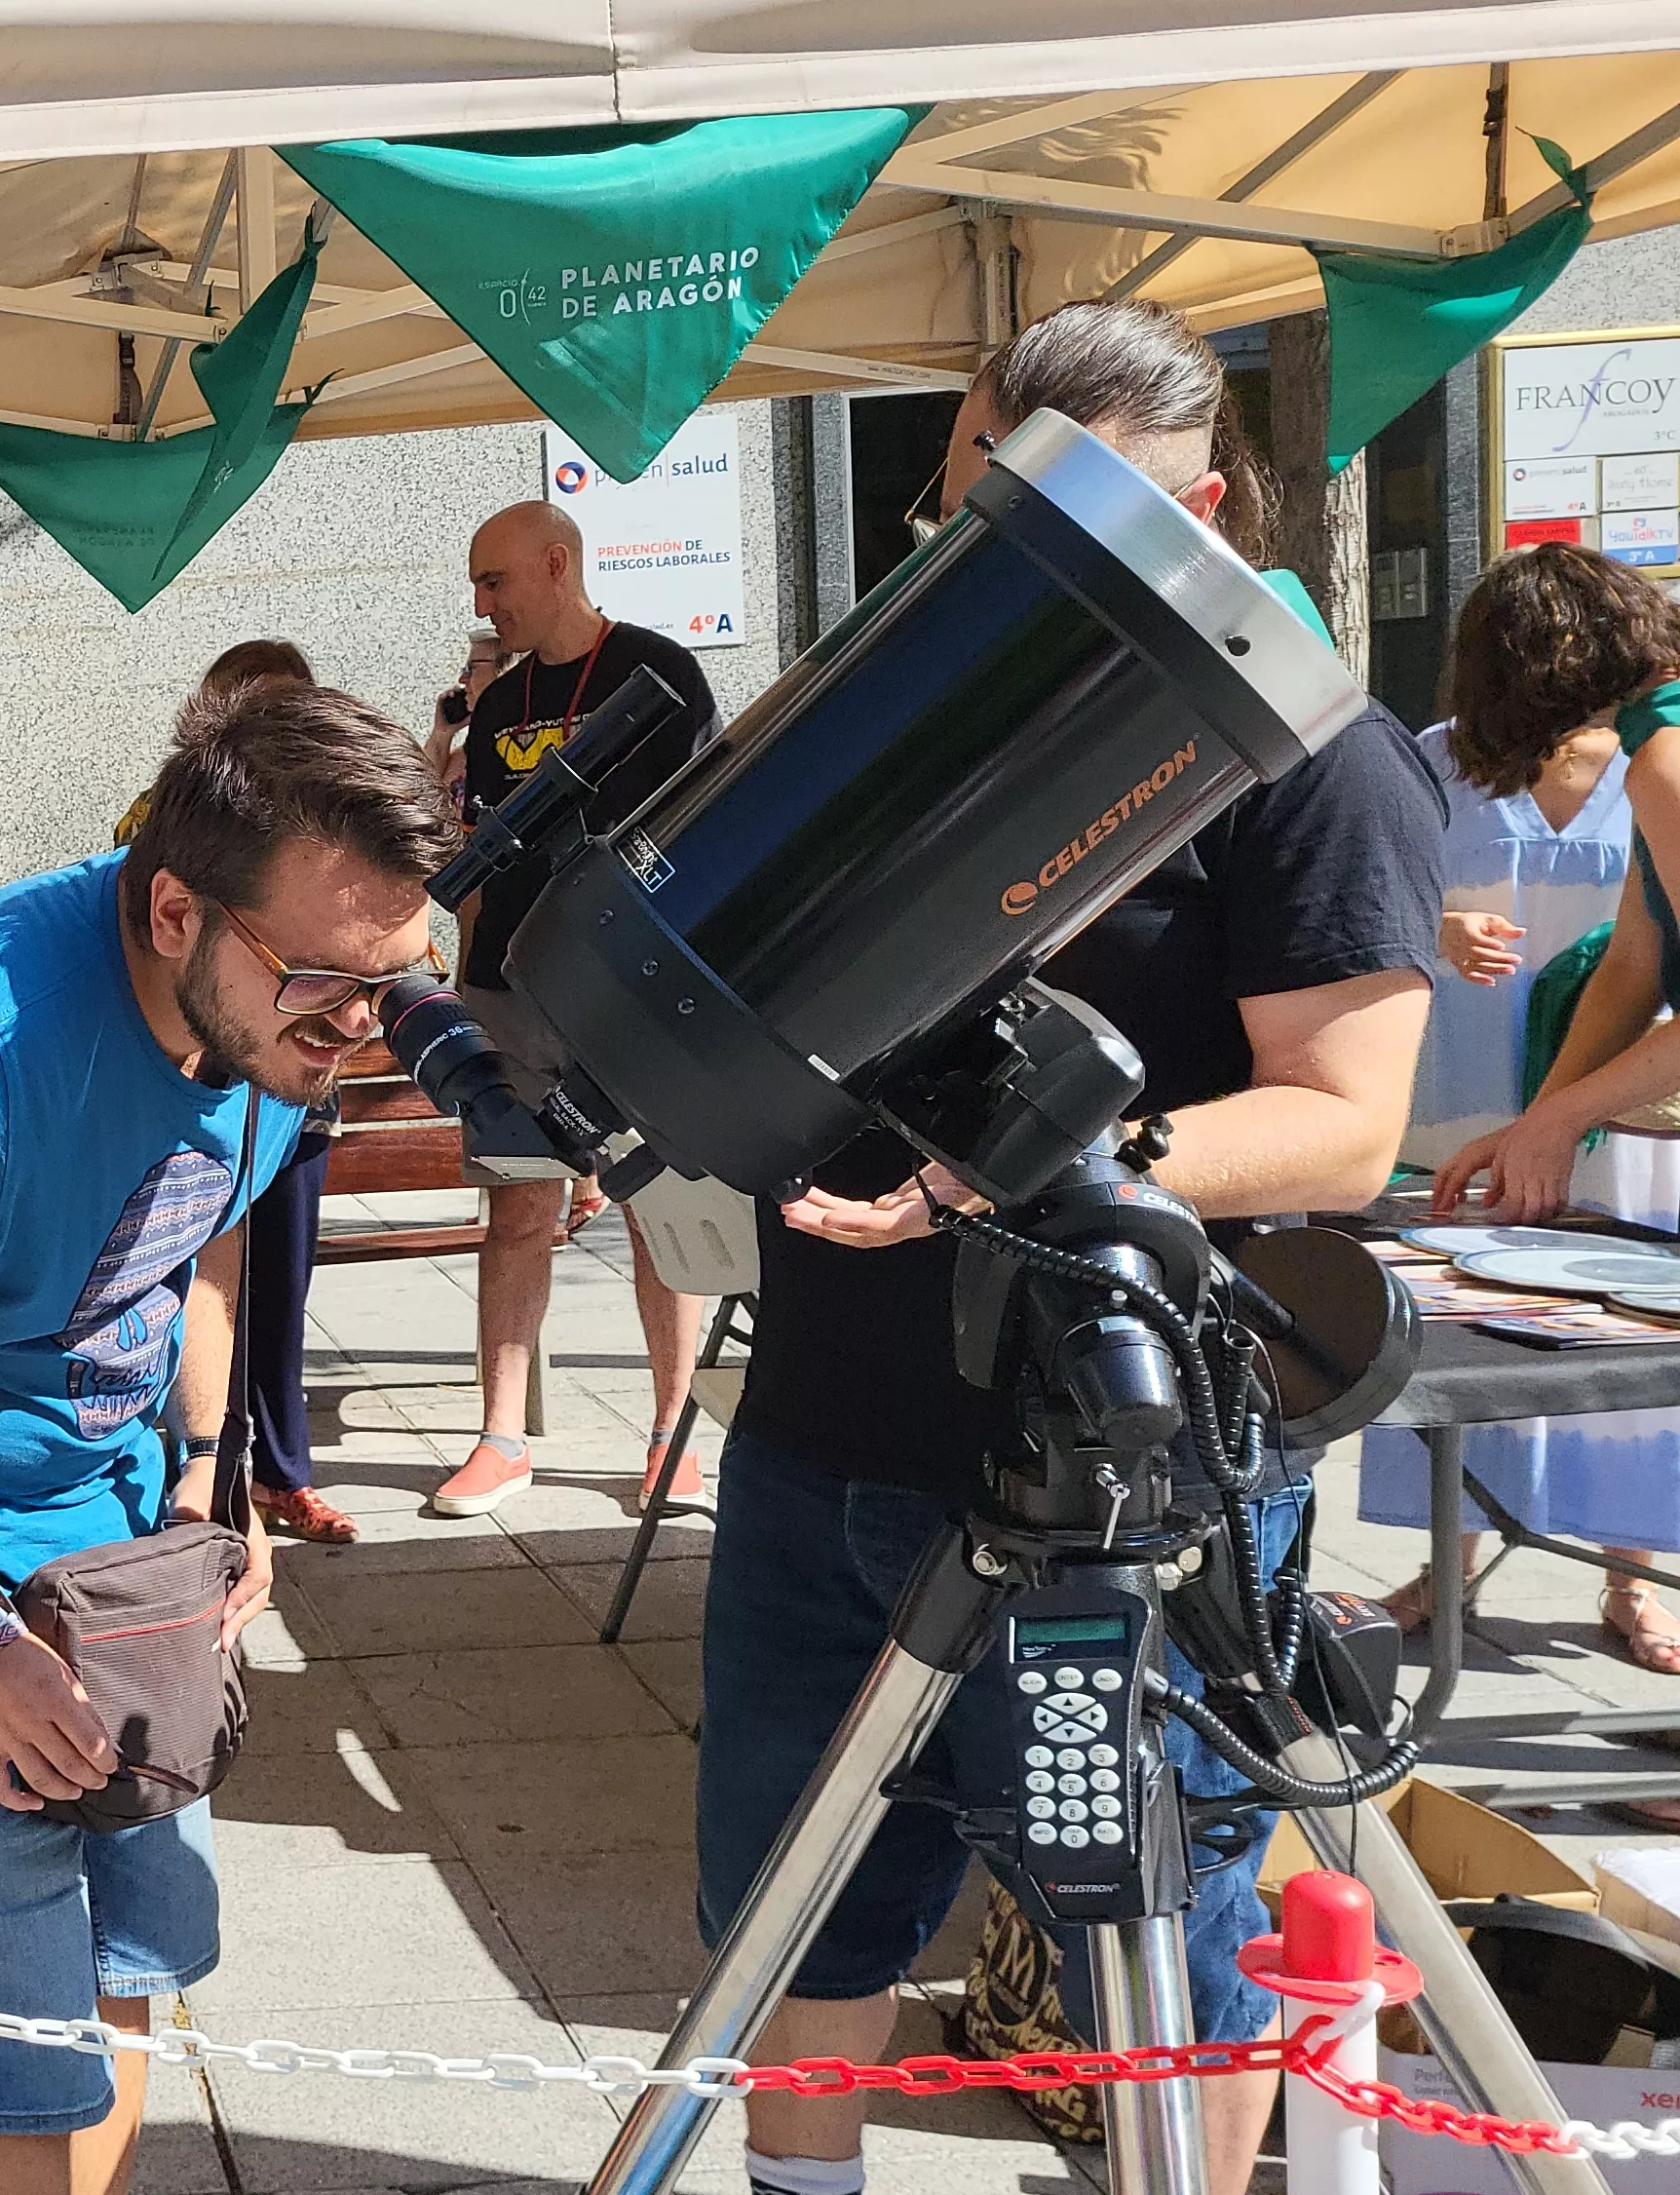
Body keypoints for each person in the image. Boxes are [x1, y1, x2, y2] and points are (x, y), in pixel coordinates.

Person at [710, 299, 1442, 2195]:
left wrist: (1023, 1166)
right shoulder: (921, 711)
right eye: (973, 510)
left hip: (1118, 1470)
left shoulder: (1313, 757)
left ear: (1200, 508)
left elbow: (1340, 1119)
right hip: (822, 1435)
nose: (992, 564)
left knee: (1158, 1921)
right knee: (794, 1914)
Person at [0, 676, 455, 2195]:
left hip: (120, 1548)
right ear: (176, 911)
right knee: (8, 2079)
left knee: (128, 1972)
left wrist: (210, 1475)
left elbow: (205, 1225)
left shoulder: (268, 1023)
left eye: (399, 980)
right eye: (326, 983)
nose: (362, 1028)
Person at [1404, 549, 1680, 1720]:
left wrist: (1562, 1113)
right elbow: (1634, 963)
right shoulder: (1653, 738)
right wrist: (1539, 1123)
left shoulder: (1661, 758)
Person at [431, 502, 719, 1518]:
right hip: (511, 991)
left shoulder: (658, 672)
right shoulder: (501, 702)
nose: (482, 605)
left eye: (494, 580)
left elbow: (702, 827)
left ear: (556, 564)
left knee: (654, 1212)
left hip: (623, 995)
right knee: (517, 1208)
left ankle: (671, 1435)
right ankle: (500, 1437)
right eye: (477, 584)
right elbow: (471, 851)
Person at [118, 639, 361, 1543]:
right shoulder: (165, 816)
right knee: (174, 1278)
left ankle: (282, 1475)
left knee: (278, 1289)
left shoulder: (337, 827)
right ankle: (197, 1461)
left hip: (290, 1097)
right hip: (193, 1089)